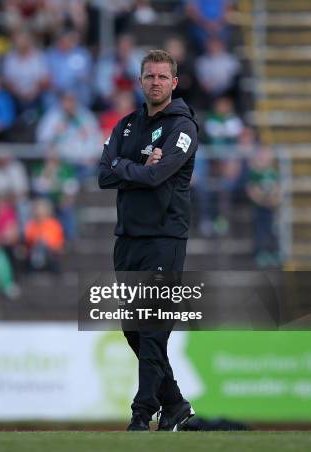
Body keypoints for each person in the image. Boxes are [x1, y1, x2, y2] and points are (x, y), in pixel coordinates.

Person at [98, 50, 199, 432]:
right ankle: (175, 405)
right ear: (140, 81)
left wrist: (127, 168)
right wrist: (140, 167)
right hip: (128, 238)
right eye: (149, 76)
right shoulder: (126, 126)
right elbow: (103, 176)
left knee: (154, 328)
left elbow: (157, 177)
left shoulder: (183, 128)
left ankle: (143, 413)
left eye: (162, 77)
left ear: (174, 82)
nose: (155, 82)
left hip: (164, 238)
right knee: (132, 329)